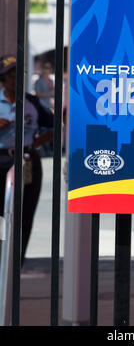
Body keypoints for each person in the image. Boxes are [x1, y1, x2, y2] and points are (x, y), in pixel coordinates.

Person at [0, 55, 54, 266]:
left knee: (25, 211)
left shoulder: (31, 101)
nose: (14, 79)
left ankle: (17, 261)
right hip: (2, 158)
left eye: (17, 75)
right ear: (3, 79)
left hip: (27, 159)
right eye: (10, 76)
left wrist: (35, 141)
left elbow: (52, 126)